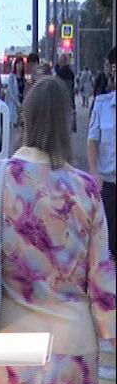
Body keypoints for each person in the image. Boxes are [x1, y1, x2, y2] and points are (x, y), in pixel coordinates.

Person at [0, 76, 115, 384]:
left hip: (10, 347)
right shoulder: (87, 190)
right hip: (70, 349)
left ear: (25, 119)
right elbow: (103, 283)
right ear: (66, 123)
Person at [88, 47, 116, 261]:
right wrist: (95, 175)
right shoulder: (102, 105)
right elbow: (92, 141)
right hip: (109, 186)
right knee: (108, 247)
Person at [4, 57, 24, 149]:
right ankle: (11, 150)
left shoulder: (23, 78)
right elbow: (11, 92)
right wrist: (18, 104)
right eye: (18, 64)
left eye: (21, 64)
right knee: (13, 130)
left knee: (21, 131)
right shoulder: (12, 77)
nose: (20, 66)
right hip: (14, 106)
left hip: (22, 107)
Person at [54, 54, 77, 132]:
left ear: (61, 61)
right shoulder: (70, 72)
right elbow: (72, 88)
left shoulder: (60, 72)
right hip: (69, 100)